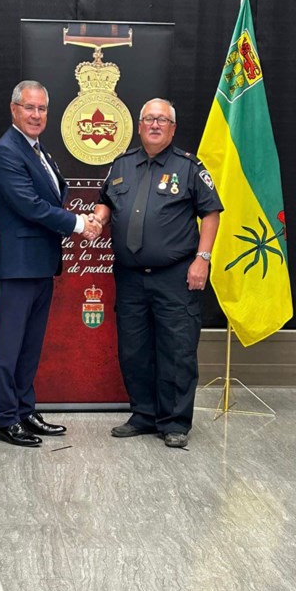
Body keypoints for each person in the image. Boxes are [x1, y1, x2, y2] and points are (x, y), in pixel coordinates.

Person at [89, 98, 223, 448]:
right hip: (131, 277)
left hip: (176, 276)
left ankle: (175, 421)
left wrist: (202, 259)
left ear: (173, 128)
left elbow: (211, 213)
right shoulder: (121, 165)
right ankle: (144, 415)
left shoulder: (189, 167)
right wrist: (99, 218)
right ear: (139, 125)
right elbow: (106, 200)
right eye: (149, 118)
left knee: (177, 350)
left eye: (162, 120)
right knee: (134, 349)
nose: (155, 125)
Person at [0, 80, 94, 447]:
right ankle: (6, 419)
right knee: (9, 347)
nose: (36, 115)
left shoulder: (37, 150)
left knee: (30, 345)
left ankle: (24, 409)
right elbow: (30, 206)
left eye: (42, 109)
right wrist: (79, 224)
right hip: (17, 265)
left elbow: (50, 198)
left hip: (41, 264)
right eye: (29, 108)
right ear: (14, 109)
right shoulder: (6, 152)